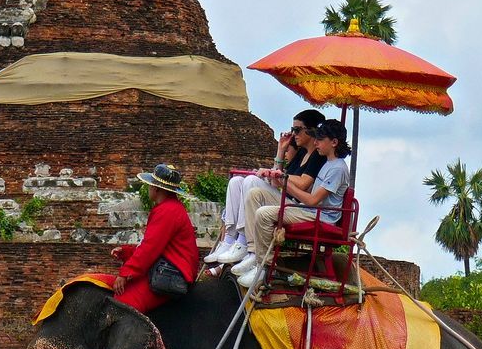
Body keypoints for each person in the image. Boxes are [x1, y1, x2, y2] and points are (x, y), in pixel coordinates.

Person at [232, 118, 351, 291]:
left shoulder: (338, 168)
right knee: (255, 193)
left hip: (321, 215)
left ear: (334, 142)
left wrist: (284, 184)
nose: (315, 142)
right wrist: (281, 178)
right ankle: (252, 251)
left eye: (320, 139)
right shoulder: (327, 163)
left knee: (264, 214)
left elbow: (312, 200)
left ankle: (265, 266)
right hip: (309, 209)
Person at [205, 108, 326, 267]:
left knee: (250, 182)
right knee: (236, 182)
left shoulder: (318, 156)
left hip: (296, 204)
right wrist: (280, 151)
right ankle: (229, 239)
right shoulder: (301, 153)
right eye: (292, 130)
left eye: (297, 130)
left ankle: (243, 240)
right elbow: (279, 176)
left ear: (311, 131)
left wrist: (276, 175)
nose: (294, 134)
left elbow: (303, 183)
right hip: (285, 196)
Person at [110, 162, 202, 314]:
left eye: (150, 185)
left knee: (124, 303)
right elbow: (155, 246)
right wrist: (127, 252)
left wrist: (125, 273)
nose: (148, 188)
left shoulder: (168, 211)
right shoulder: (170, 207)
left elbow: (150, 248)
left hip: (173, 272)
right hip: (167, 266)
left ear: (157, 188)